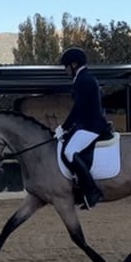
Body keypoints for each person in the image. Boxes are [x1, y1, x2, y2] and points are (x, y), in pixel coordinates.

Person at [55, 47, 109, 210]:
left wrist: (63, 127)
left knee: (69, 151)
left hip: (91, 126)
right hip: (86, 125)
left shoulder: (84, 80)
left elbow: (78, 108)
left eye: (66, 66)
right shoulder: (83, 78)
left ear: (74, 64)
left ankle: (92, 191)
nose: (65, 70)